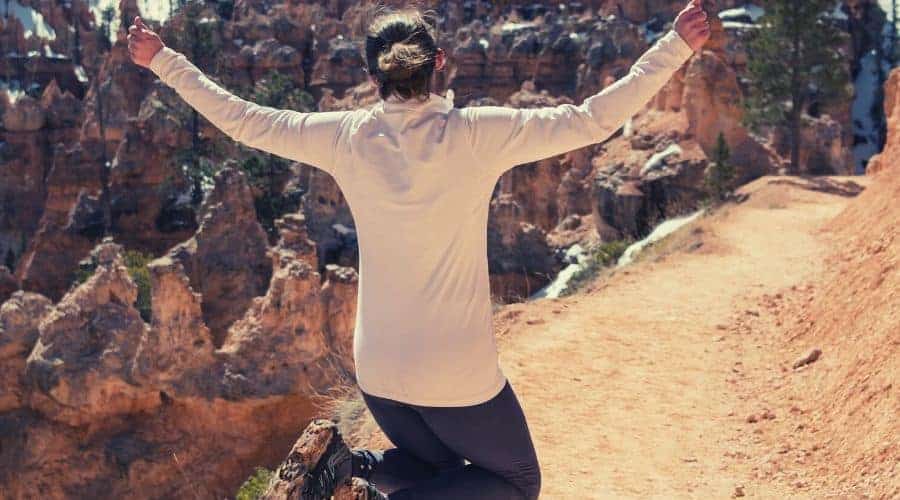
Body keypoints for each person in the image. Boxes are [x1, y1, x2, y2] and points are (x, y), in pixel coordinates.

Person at [128, 2, 709, 498]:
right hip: (457, 377)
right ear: (439, 64)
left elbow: (245, 121)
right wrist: (674, 46)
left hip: (378, 375)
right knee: (515, 481)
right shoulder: (478, 133)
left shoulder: (345, 136)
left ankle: (349, 468)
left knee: (442, 473)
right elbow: (591, 120)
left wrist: (162, 59)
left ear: (372, 73)